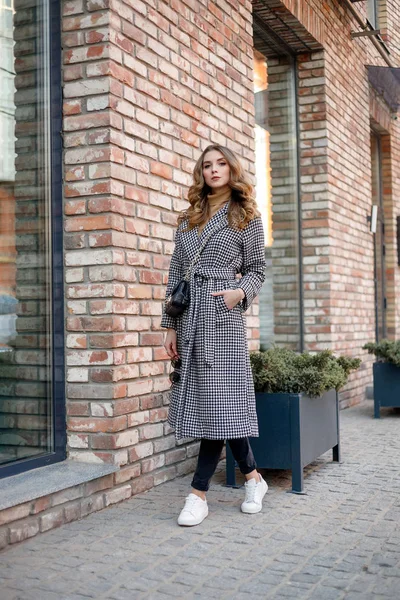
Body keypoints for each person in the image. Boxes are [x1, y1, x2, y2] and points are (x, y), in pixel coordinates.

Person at [161, 144, 268, 527]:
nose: (213, 169)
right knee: (217, 405)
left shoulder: (247, 216)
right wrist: (169, 325)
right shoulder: (188, 217)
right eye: (207, 165)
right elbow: (175, 276)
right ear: (200, 173)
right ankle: (254, 478)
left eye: (221, 163)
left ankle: (198, 493)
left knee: (218, 404)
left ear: (231, 169)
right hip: (190, 319)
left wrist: (240, 294)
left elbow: (258, 268)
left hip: (222, 318)